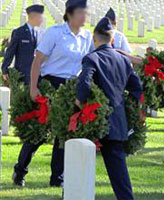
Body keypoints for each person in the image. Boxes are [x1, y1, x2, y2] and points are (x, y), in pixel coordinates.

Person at [13, 0, 92, 187]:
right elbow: (37, 61)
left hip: (71, 88)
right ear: (71, 13)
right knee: (39, 134)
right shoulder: (55, 33)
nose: (85, 16)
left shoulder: (87, 36)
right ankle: (20, 170)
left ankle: (57, 178)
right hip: (51, 84)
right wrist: (33, 87)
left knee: (64, 135)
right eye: (81, 12)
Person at [75, 17, 142, 200]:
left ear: (94, 40)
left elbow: (85, 82)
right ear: (112, 40)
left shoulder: (91, 58)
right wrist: (130, 107)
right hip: (117, 122)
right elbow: (136, 87)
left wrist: (80, 101)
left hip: (92, 120)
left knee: (77, 162)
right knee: (118, 171)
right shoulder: (122, 59)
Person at [1, 4, 44, 85]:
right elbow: (10, 51)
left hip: (37, 74)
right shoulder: (19, 32)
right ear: (33, 17)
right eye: (40, 17)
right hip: (23, 74)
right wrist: (5, 69)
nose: (42, 20)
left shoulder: (40, 33)